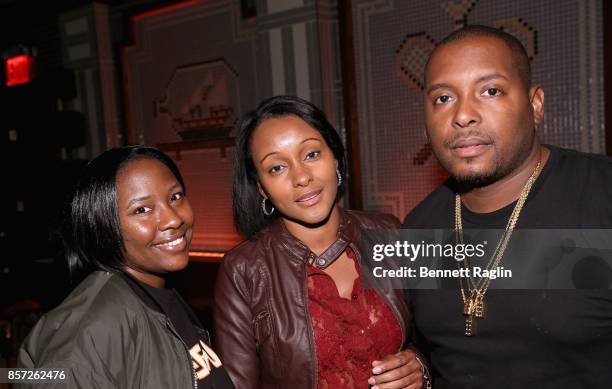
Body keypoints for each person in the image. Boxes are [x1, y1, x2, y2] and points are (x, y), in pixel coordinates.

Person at [403, 25, 612, 388]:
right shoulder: (417, 227)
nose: (463, 115)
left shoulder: (602, 193)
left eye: (490, 91)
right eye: (443, 98)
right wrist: (415, 369)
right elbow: (426, 353)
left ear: (535, 105)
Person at [214, 95, 429, 389]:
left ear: (335, 157)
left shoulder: (388, 232)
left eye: (312, 154)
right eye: (277, 167)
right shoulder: (244, 269)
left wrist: (420, 366)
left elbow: (441, 334)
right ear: (261, 188)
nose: (301, 177)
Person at [17, 146, 235, 389]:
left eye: (175, 197)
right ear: (103, 227)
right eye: (142, 209)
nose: (174, 218)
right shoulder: (95, 325)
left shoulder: (160, 294)